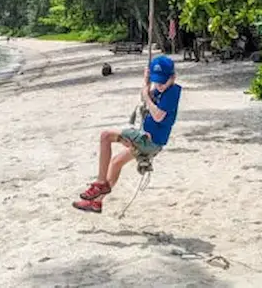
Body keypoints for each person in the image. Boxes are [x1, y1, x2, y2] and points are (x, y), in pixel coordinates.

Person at [73, 55, 181, 214]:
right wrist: (147, 82)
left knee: (105, 136)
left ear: (173, 77)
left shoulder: (172, 92)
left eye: (163, 82)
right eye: (157, 81)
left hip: (148, 141)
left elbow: (158, 115)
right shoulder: (160, 90)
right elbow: (147, 97)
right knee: (116, 162)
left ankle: (100, 183)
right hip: (148, 140)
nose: (160, 86)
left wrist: (147, 95)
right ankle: (96, 202)